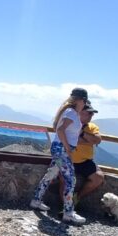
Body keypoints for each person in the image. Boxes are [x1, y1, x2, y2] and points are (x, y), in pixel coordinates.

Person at [31, 87, 89, 224]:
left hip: (59, 148)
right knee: (70, 180)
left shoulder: (69, 111)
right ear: (83, 100)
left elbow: (61, 129)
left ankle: (36, 200)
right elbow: (61, 129)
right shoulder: (71, 113)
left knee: (51, 174)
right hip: (62, 149)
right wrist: (68, 148)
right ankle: (68, 213)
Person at [67, 104, 106, 202]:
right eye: (89, 113)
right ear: (79, 113)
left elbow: (97, 140)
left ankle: (76, 199)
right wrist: (89, 140)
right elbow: (72, 140)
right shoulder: (70, 124)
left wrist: (82, 133)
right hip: (68, 159)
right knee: (64, 180)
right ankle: (65, 206)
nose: (91, 115)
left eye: (92, 113)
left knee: (98, 177)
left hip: (85, 162)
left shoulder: (93, 127)